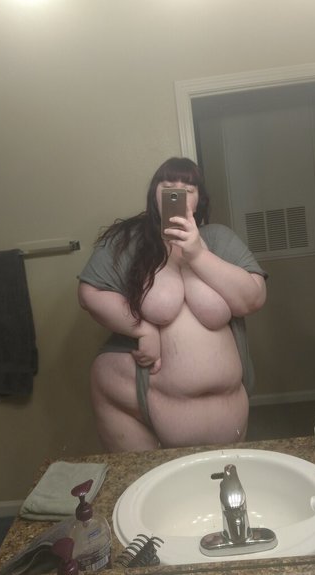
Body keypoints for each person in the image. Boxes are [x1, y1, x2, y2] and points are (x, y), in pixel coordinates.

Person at [78, 157, 267, 452]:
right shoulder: (129, 240)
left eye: (188, 189)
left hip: (228, 404)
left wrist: (197, 254)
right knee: (143, 480)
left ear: (199, 199)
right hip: (138, 395)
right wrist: (142, 330)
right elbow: (89, 293)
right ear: (155, 193)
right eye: (168, 186)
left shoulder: (219, 239)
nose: (178, 193)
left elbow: (253, 299)